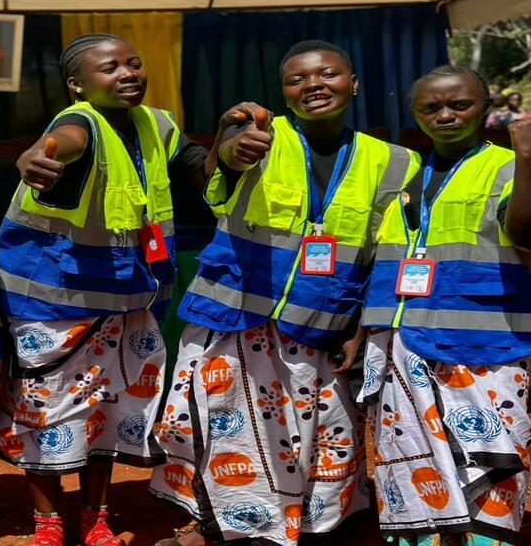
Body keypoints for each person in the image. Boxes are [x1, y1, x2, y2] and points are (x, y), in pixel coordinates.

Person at [149, 40, 419, 546]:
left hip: (319, 322)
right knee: (217, 423)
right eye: (298, 79)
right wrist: (230, 150)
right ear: (283, 93)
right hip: (233, 313)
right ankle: (213, 526)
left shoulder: (395, 162)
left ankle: (312, 523)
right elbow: (219, 180)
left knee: (317, 429)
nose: (313, 85)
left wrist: (363, 332)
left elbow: (388, 257)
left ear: (353, 83)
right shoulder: (261, 136)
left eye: (328, 74)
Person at [0, 33, 212, 546]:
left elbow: (199, 165)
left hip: (129, 299)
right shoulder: (79, 122)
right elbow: (63, 141)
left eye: (133, 63)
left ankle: (96, 517)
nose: (127, 73)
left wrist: (229, 141)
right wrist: (35, 157)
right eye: (110, 68)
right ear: (77, 85)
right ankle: (48, 522)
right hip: (54, 302)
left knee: (109, 412)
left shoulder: (157, 124)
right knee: (45, 411)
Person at [359, 66, 531, 546]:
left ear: (485, 108)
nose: (446, 115)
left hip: (487, 345)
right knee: (416, 466)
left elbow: (526, 233)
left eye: (460, 105)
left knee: (492, 463)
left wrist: (529, 161)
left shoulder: (508, 166)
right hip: (405, 342)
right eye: (430, 107)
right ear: (414, 113)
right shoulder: (412, 177)